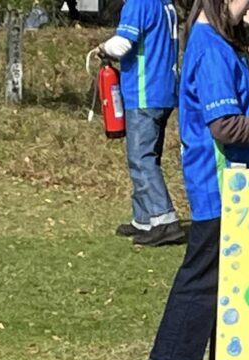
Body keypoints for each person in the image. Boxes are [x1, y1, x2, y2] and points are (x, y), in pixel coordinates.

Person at [148, 0, 249, 360]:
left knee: (224, 275)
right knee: (204, 275)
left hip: (236, 186)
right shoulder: (210, 48)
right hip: (219, 186)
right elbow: (225, 125)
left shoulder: (219, 42)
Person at [96, 0, 186, 247]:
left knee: (140, 158)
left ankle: (164, 220)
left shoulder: (138, 2)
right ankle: (143, 218)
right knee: (149, 156)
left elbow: (122, 44)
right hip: (165, 90)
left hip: (144, 91)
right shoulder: (165, 4)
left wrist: (102, 47)